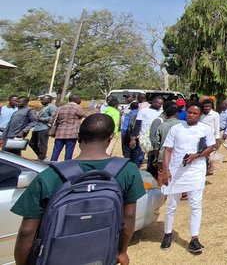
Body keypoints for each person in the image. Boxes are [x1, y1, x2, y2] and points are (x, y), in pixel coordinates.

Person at [12, 113, 144, 264]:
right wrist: (122, 251)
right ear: (110, 138)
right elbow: (129, 217)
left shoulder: (50, 175)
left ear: (79, 137)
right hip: (103, 256)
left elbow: (27, 231)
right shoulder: (128, 170)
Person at [160, 103, 216, 254]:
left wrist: (197, 155)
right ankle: (168, 233)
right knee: (172, 204)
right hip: (176, 170)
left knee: (196, 204)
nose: (191, 115)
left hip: (196, 171)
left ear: (199, 115)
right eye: (189, 112)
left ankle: (194, 238)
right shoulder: (176, 128)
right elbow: (168, 150)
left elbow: (211, 147)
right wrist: (166, 171)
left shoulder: (205, 129)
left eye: (194, 113)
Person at [50, 94, 88, 161]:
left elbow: (52, 120)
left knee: (56, 151)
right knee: (69, 152)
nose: (80, 100)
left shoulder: (60, 108)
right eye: (79, 99)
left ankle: (52, 164)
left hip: (59, 133)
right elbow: (87, 116)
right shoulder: (77, 108)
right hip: (72, 133)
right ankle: (66, 166)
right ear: (75, 100)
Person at [31, 95, 56, 161]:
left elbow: (54, 117)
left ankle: (42, 158)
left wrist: (43, 119)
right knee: (32, 143)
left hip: (44, 128)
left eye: (43, 100)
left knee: (42, 144)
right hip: (37, 127)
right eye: (41, 99)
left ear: (49, 100)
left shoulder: (52, 107)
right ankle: (41, 156)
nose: (42, 101)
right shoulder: (42, 107)